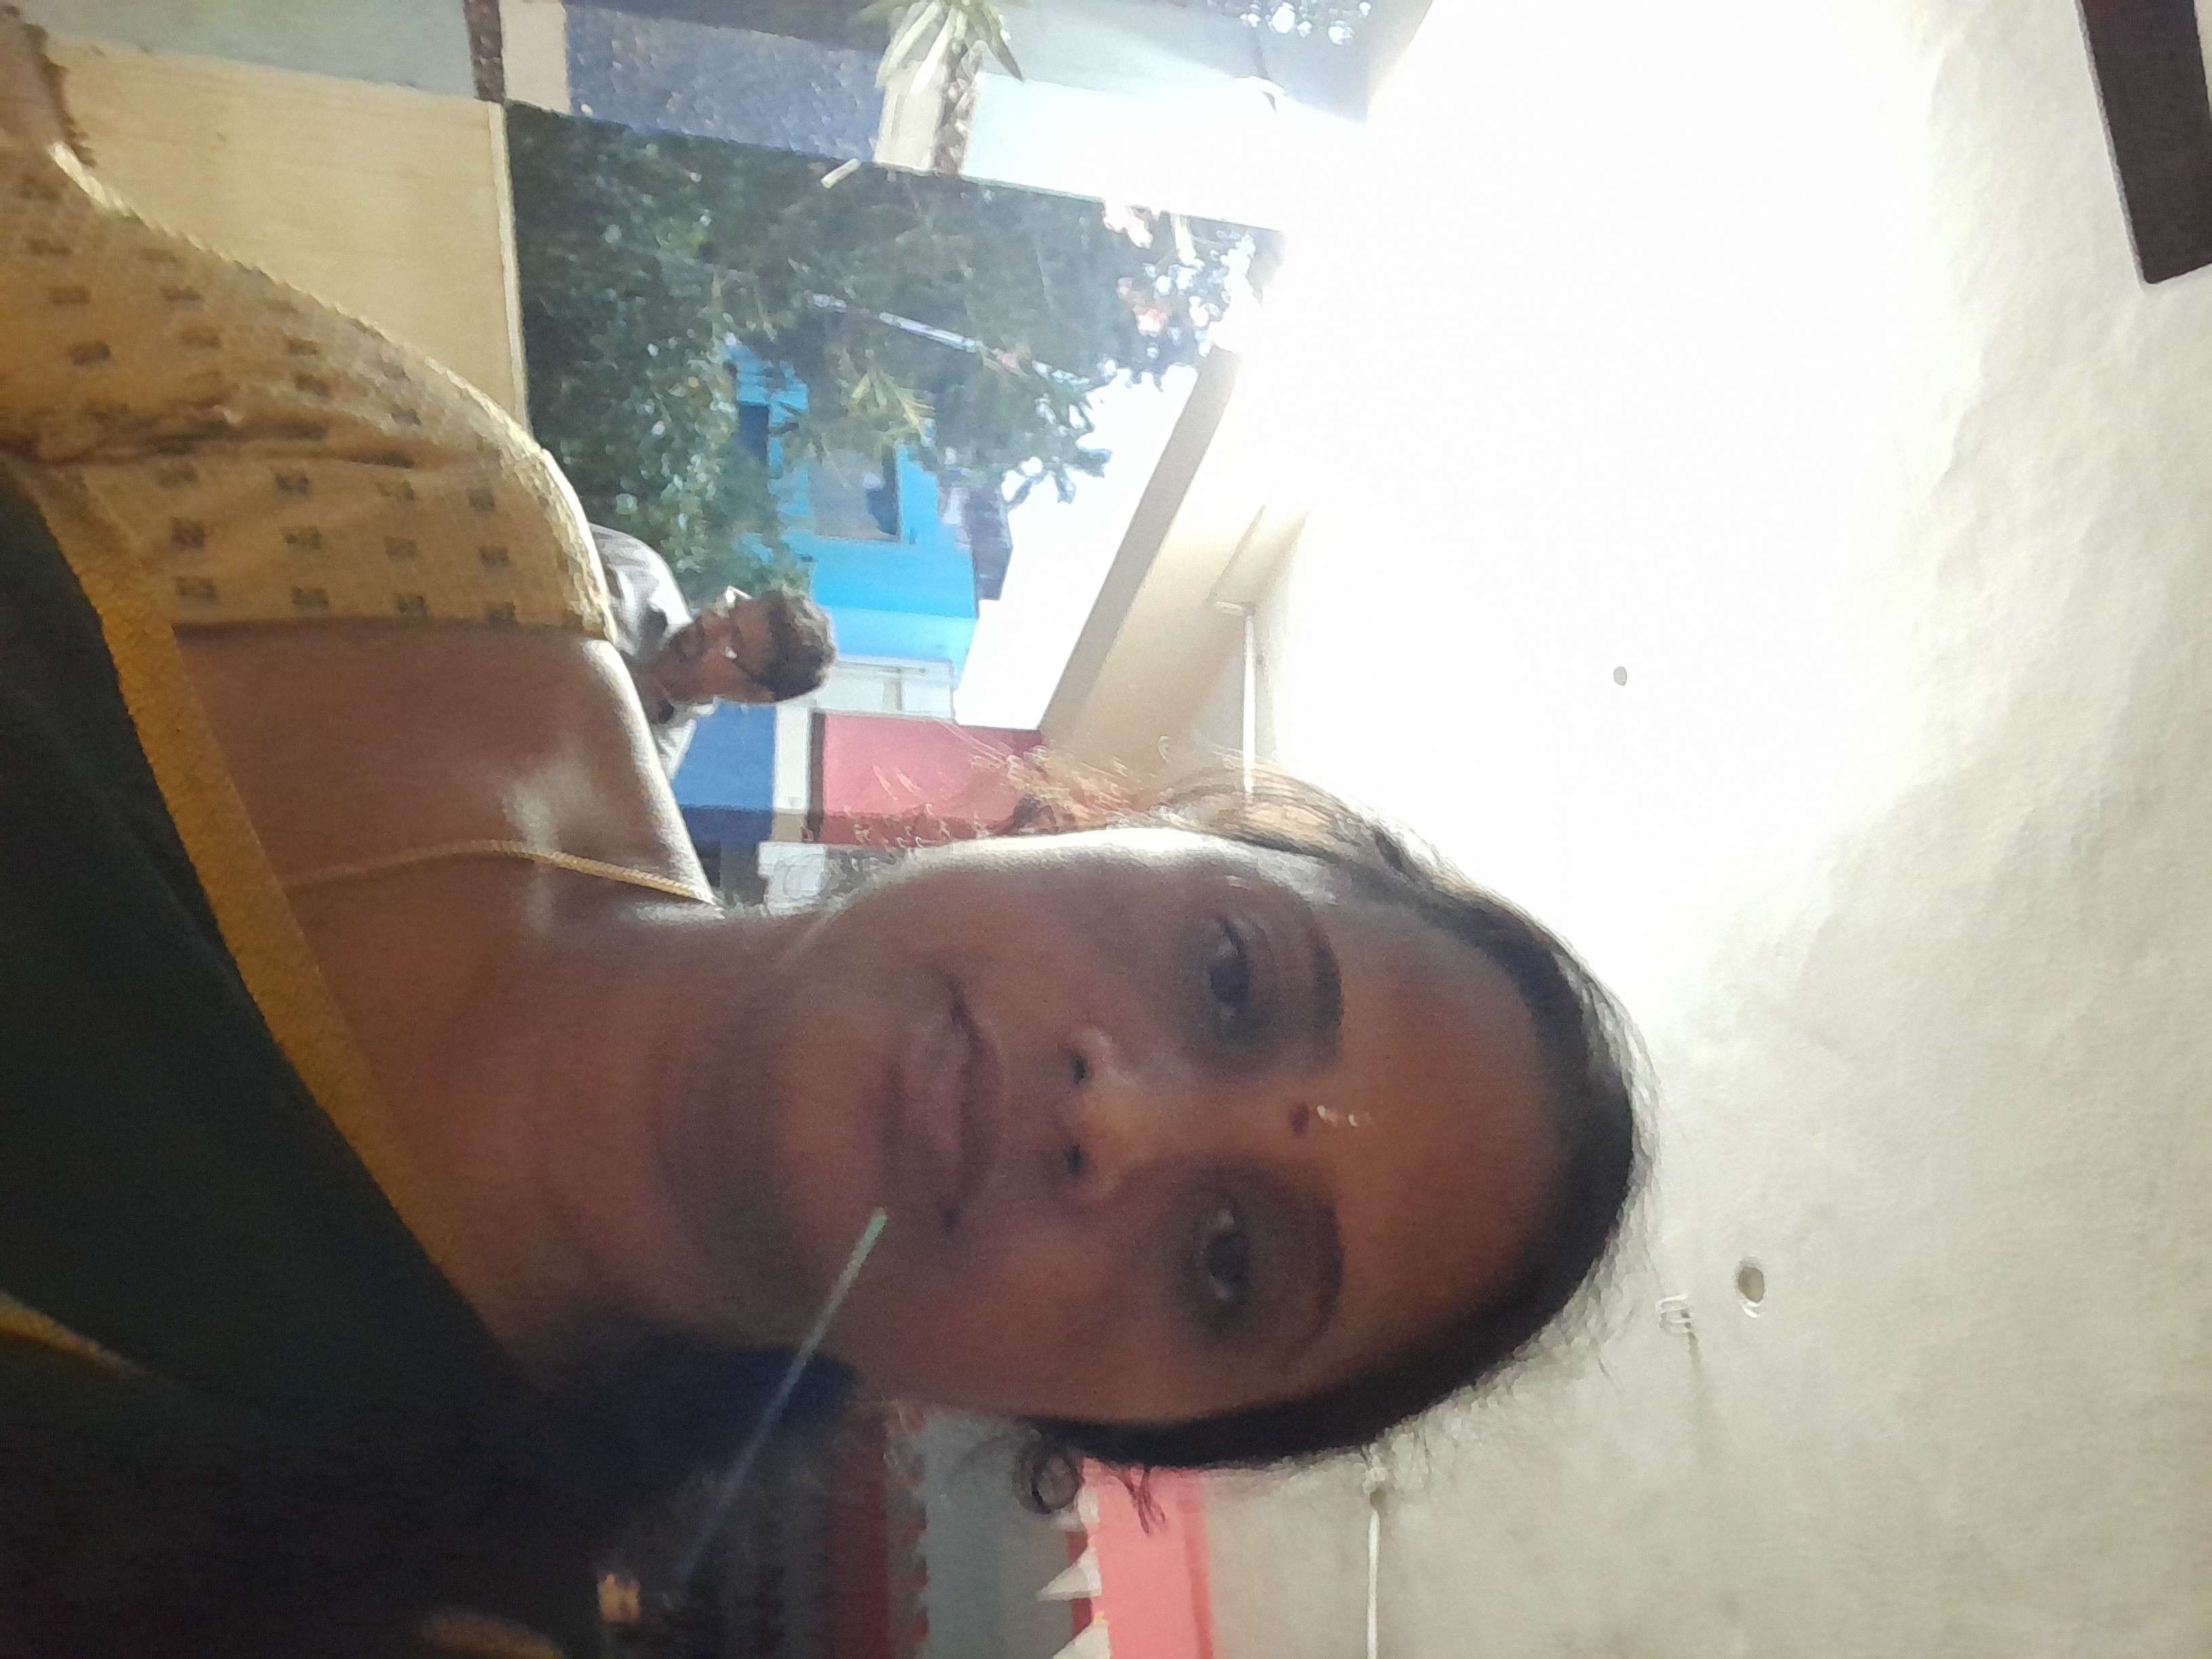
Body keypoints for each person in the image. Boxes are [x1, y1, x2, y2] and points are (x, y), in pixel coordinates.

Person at [0, 17, 1640, 1658]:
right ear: (1098, 821)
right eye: (1229, 976)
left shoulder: (384, 1604)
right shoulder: (412, 518)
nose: (1119, 1123)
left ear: (1086, 1430)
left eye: (1227, 1264)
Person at [592, 523, 836, 778]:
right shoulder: (634, 568)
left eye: (732, 644)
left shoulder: (645, 767)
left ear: (751, 695)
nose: (708, 622)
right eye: (729, 609)